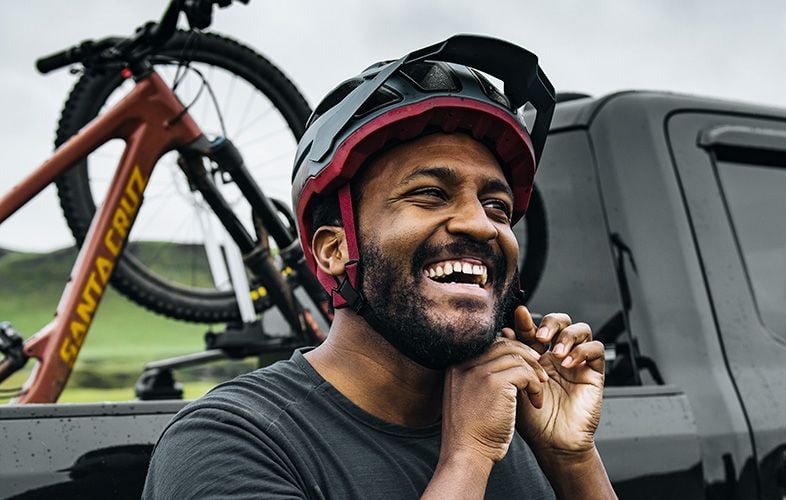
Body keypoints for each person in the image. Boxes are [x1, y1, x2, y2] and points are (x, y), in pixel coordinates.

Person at [144, 35, 616, 499]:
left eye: (496, 206)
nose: (481, 224)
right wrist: (467, 458)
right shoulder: (233, 442)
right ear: (333, 249)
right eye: (430, 193)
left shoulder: (519, 421)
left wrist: (571, 461)